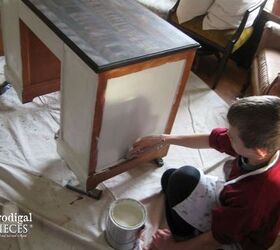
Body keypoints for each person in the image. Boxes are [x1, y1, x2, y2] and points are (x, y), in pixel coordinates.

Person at [127, 95, 280, 250]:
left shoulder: (255, 198)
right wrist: (162, 139)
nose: (227, 136)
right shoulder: (261, 149)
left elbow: (214, 239)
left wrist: (172, 247)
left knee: (181, 180)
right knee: (171, 178)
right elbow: (210, 139)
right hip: (232, 209)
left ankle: (185, 238)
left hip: (237, 239)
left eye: (232, 138)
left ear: (258, 152)